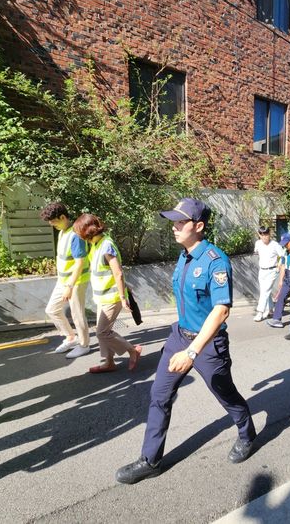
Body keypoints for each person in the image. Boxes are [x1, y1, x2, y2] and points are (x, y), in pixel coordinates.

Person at [115, 198, 256, 484]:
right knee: (159, 395)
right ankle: (150, 459)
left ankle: (247, 433)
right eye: (174, 221)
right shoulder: (185, 256)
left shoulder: (215, 261)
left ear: (199, 226)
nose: (174, 227)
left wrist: (192, 352)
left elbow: (221, 310)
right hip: (179, 336)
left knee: (225, 394)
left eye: (181, 222)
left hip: (207, 346)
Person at [73, 214, 142, 373]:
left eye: (80, 233)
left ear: (87, 231)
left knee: (102, 332)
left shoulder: (106, 246)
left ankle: (132, 350)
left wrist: (123, 298)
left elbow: (118, 273)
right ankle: (109, 363)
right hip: (103, 297)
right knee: (102, 332)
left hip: (112, 297)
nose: (80, 237)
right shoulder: (97, 244)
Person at [41, 202, 91, 358]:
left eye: (54, 222)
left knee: (77, 314)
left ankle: (84, 345)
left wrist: (69, 286)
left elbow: (80, 262)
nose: (53, 225)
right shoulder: (63, 232)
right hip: (63, 281)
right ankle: (71, 337)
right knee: (51, 310)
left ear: (62, 217)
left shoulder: (76, 235)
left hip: (76, 281)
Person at [267, 232, 290, 329]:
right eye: (283, 243)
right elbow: (283, 266)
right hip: (287, 277)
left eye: (286, 243)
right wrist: (281, 280)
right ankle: (277, 319)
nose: (285, 245)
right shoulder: (285, 252)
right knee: (281, 297)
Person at [253, 226, 284, 322]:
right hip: (262, 271)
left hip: (272, 271)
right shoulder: (258, 243)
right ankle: (270, 309)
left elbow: (283, 256)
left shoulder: (275, 245)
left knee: (265, 291)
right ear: (259, 235)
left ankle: (260, 312)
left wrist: (279, 264)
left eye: (266, 235)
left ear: (269, 234)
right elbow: (256, 252)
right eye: (262, 235)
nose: (265, 237)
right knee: (265, 291)